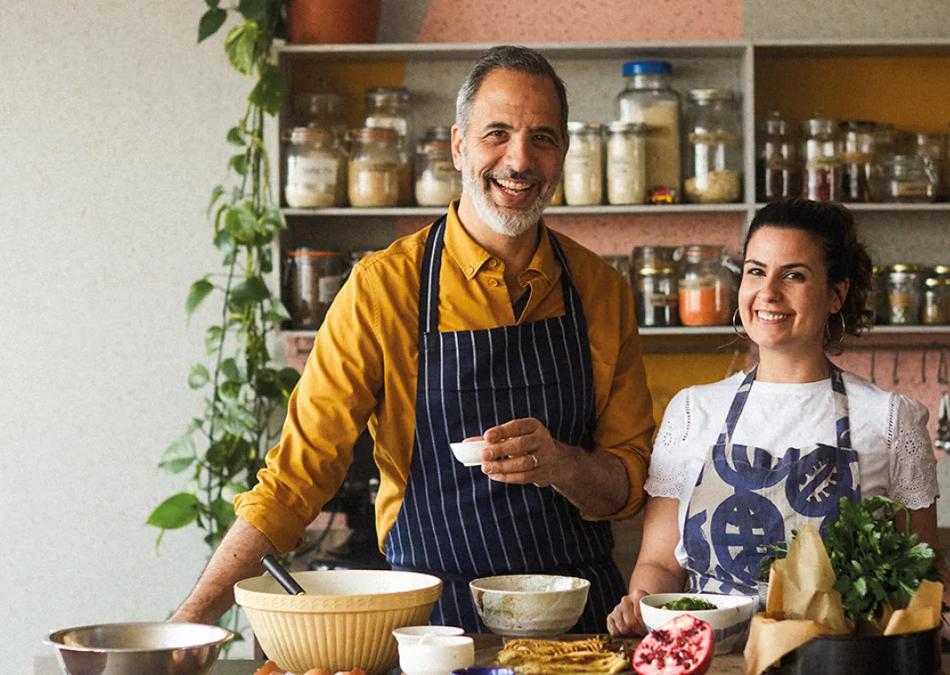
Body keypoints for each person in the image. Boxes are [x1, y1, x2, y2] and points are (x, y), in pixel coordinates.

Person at [172, 45, 655, 633]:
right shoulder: (385, 288)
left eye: (543, 138)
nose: (519, 159)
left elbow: (627, 485)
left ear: (564, 153)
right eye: (496, 133)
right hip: (433, 623)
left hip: (581, 624)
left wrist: (561, 465)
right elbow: (296, 481)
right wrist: (192, 627)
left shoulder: (600, 289)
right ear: (458, 146)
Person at [606, 199, 950, 661]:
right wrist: (640, 603)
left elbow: (919, 576)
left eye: (794, 276)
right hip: (712, 665)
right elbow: (660, 565)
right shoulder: (693, 411)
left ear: (836, 294)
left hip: (839, 666)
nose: (768, 292)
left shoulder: (889, 419)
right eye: (756, 271)